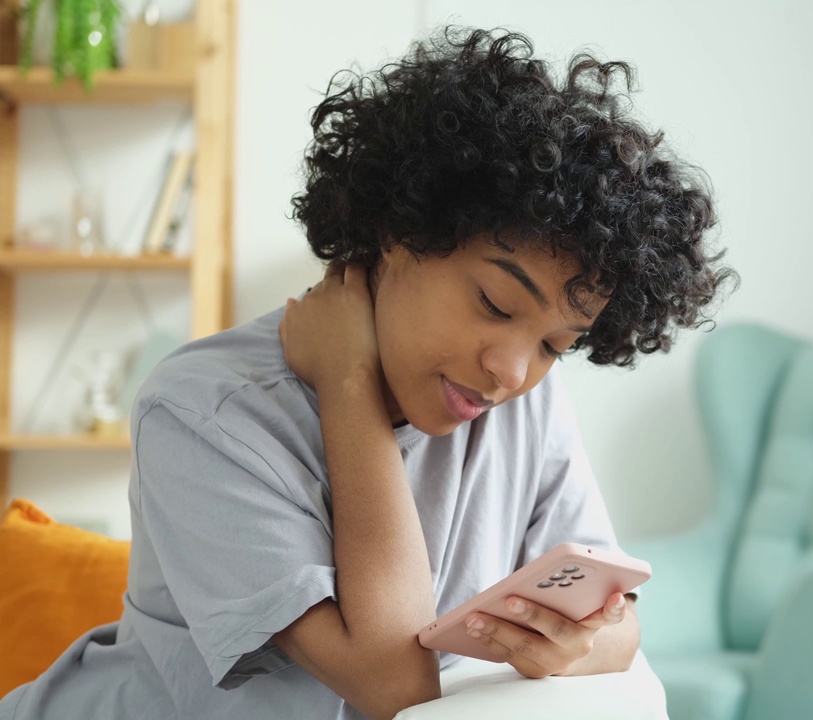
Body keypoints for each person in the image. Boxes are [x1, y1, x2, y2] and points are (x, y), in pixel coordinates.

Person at [0, 26, 733, 720]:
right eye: (494, 302)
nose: (512, 370)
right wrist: (348, 383)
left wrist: (575, 645)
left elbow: (619, 626)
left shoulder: (524, 408)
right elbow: (392, 682)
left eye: (555, 346)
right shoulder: (205, 410)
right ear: (396, 234)